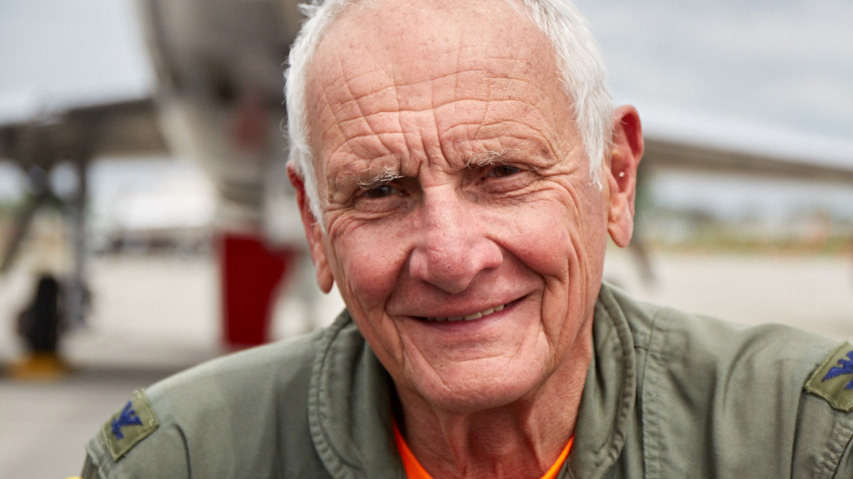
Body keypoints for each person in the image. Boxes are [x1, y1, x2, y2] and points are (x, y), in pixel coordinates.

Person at [80, 0, 853, 477]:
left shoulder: (802, 438)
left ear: (614, 178)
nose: (451, 257)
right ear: (315, 223)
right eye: (379, 190)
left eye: (504, 172)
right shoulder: (172, 461)